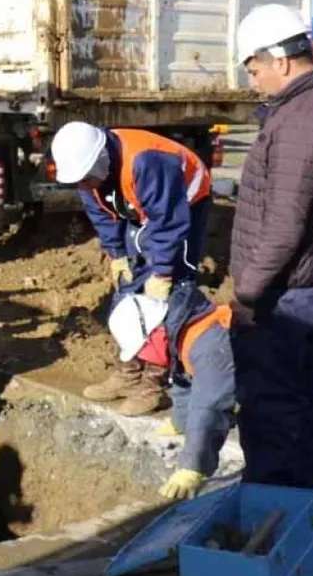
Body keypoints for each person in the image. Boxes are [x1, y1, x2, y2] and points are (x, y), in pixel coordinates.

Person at [229, 4, 313, 490]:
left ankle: (272, 505)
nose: (252, 82)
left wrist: (248, 293)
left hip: (289, 293)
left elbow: (284, 224)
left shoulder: (300, 121)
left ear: (281, 61)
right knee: (312, 393)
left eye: (253, 70)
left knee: (270, 409)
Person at [50, 121, 213, 416]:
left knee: (169, 296)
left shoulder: (148, 161)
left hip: (183, 205)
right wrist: (116, 254)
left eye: (88, 178)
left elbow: (168, 222)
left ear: (102, 158)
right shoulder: (89, 174)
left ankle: (155, 384)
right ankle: (128, 372)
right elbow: (100, 212)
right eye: (80, 181)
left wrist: (163, 272)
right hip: (143, 208)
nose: (84, 185)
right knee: (129, 287)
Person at [107, 291, 235, 501]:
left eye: (142, 349)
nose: (142, 358)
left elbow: (210, 405)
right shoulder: (182, 335)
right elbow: (183, 381)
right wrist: (180, 422)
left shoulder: (209, 346)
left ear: (156, 334)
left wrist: (193, 466)